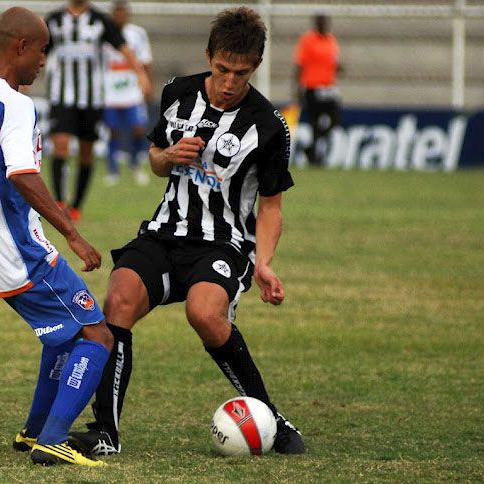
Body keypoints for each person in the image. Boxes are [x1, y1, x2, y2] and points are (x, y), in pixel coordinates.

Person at [69, 6, 306, 456]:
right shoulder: (177, 94)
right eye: (222, 69)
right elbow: (156, 160)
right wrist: (169, 155)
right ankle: (106, 433)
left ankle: (267, 415)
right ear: (208, 56)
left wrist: (265, 263)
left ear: (255, 67)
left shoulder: (269, 127)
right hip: (164, 232)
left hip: (225, 242)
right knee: (117, 299)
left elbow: (272, 206)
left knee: (204, 313)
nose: (230, 81)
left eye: (241, 72)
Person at [0, 7, 113, 468]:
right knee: (97, 333)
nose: (44, 62)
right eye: (43, 50)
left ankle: (33, 431)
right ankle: (53, 439)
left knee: (60, 336)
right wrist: (72, 233)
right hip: (21, 248)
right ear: (20, 47)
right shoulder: (14, 104)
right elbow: (23, 174)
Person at [45, 0, 151, 222]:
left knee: (86, 152)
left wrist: (141, 74)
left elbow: (124, 48)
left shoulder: (101, 20)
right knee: (61, 146)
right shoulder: (54, 20)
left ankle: (76, 206)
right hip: (61, 96)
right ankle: (59, 202)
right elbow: (40, 52)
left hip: (92, 99)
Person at [102, 0, 153, 187]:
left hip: (133, 89)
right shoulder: (104, 34)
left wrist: (148, 84)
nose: (120, 15)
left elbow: (146, 61)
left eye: (123, 12)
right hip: (110, 91)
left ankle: (136, 165)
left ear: (128, 13)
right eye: (117, 12)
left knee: (138, 128)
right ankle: (113, 170)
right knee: (112, 131)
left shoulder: (138, 33)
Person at [293, 14, 342, 167]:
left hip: (328, 88)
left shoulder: (331, 41)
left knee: (335, 120)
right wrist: (297, 88)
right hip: (312, 87)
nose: (324, 25)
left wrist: (339, 67)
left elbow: (333, 62)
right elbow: (299, 65)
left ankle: (311, 149)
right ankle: (314, 157)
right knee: (314, 123)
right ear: (316, 24)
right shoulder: (308, 41)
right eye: (321, 23)